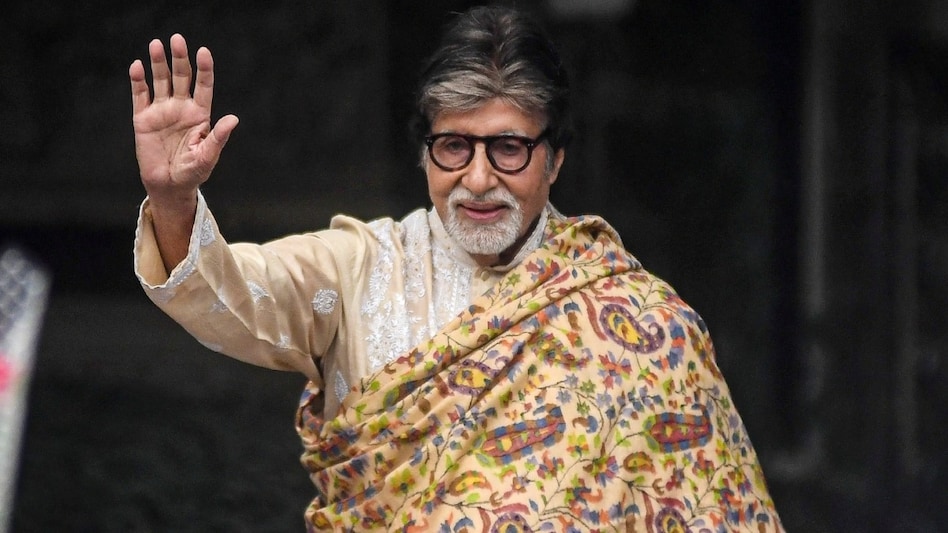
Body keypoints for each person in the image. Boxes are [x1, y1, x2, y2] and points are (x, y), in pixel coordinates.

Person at [130, 5, 783, 531]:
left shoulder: (645, 325)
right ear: (425, 153)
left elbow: (712, 509)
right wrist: (173, 200)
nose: (477, 179)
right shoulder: (362, 267)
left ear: (555, 158)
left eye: (508, 148)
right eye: (453, 146)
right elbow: (230, 292)